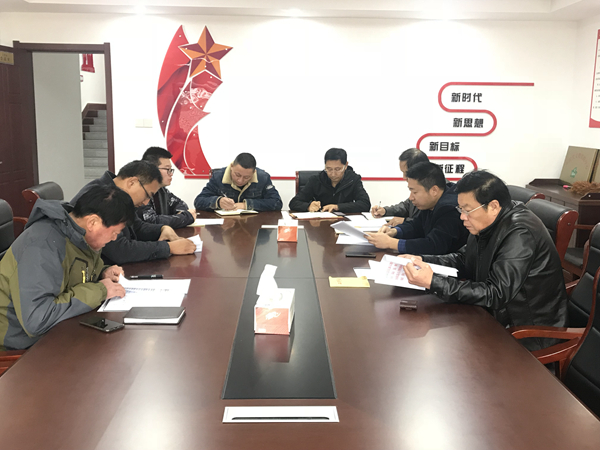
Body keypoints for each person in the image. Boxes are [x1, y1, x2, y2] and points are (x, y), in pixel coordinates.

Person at [402, 170, 568, 352]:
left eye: (467, 210)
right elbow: (463, 259)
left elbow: (496, 293)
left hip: (525, 332)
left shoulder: (520, 233)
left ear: (493, 206)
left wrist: (433, 282)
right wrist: (422, 260)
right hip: (492, 316)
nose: (462, 216)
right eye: (460, 209)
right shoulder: (486, 222)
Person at [0, 185, 133, 350]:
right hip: (20, 346)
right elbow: (37, 320)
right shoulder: (42, 245)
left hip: (58, 331)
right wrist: (100, 291)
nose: (114, 238)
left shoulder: (77, 235)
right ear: (92, 222)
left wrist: (102, 272)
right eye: (114, 232)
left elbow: (70, 273)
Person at [71, 160, 196, 265]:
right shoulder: (102, 196)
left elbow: (136, 226)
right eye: (147, 195)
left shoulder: (119, 195)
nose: (146, 202)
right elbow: (119, 251)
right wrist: (169, 248)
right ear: (132, 182)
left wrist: (162, 229)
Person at [366, 162, 468, 255]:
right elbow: (417, 225)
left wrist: (391, 243)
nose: (411, 198)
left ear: (434, 190)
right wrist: (394, 231)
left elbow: (434, 246)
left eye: (414, 192)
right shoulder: (431, 203)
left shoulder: (450, 209)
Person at [289, 148, 371, 213]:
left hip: (345, 223)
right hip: (320, 223)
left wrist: (337, 207)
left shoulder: (353, 179)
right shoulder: (316, 180)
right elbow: (294, 202)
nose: (333, 174)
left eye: (338, 169)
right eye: (329, 169)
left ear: (346, 165)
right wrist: (308, 206)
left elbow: (365, 204)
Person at [194, 152, 282, 211]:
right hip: (224, 226)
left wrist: (246, 205)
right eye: (237, 175)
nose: (240, 180)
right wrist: (218, 202)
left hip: (253, 225)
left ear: (254, 173)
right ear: (231, 166)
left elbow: (277, 203)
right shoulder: (218, 177)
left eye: (246, 177)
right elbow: (198, 201)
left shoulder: (263, 177)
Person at [139, 146, 195, 228]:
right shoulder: (140, 191)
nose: (171, 174)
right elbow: (151, 221)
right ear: (152, 169)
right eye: (167, 169)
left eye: (171, 170)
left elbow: (181, 204)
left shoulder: (161, 190)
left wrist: (180, 215)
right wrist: (185, 218)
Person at [371, 148, 429, 226]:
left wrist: (405, 221)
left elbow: (428, 223)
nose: (404, 177)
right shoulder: (418, 186)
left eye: (406, 173)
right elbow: (406, 206)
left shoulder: (434, 189)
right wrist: (385, 210)